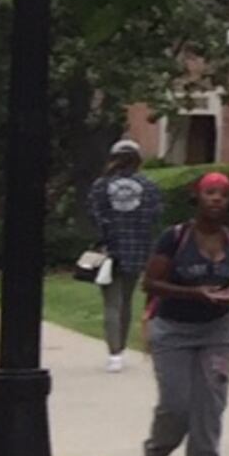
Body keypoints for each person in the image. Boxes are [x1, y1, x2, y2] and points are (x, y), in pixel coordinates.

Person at [133, 167, 229, 456]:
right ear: (197, 197)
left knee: (210, 405)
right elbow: (150, 283)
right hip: (173, 330)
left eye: (223, 194)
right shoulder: (174, 238)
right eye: (209, 193)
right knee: (177, 406)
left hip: (219, 331)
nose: (216, 199)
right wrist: (194, 293)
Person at [82, 138, 159, 371]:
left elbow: (94, 215)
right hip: (137, 249)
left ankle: (114, 354)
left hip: (109, 249)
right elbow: (154, 217)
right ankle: (122, 348)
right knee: (126, 300)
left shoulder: (101, 186)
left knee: (111, 303)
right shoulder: (148, 186)